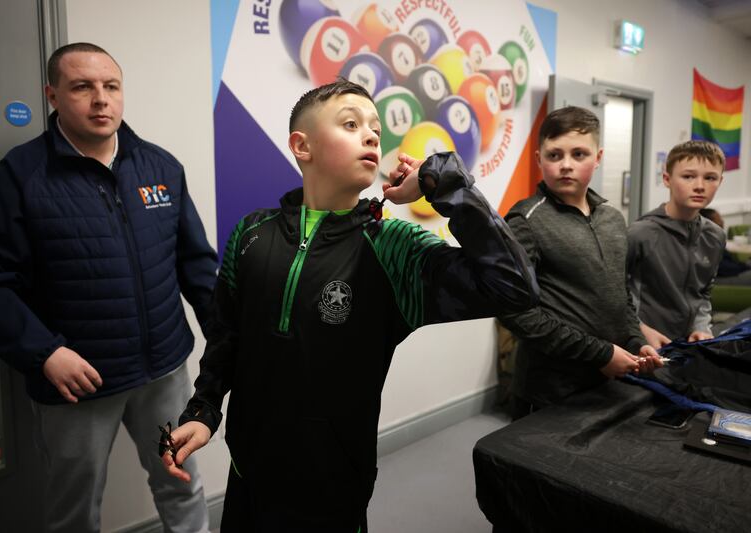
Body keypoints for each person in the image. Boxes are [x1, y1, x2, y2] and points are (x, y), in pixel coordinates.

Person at [160, 79, 539, 532]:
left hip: (334, 484)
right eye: (351, 123)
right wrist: (203, 410)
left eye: (375, 129)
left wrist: (443, 181)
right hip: (249, 471)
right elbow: (227, 337)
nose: (372, 135)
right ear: (303, 146)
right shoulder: (251, 234)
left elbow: (514, 287)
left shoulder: (392, 246)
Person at [0, 43, 214, 533]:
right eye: (82, 87)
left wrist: (226, 341)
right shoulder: (18, 177)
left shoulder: (160, 167)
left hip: (164, 373)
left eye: (110, 87)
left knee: (181, 484)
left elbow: (196, 265)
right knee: (75, 510)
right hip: (76, 385)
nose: (100, 100)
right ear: (52, 95)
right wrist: (44, 352)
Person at [497, 106, 662, 420]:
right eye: (555, 155)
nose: (566, 165)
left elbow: (620, 296)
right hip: (547, 392)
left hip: (607, 384)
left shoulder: (613, 219)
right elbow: (513, 311)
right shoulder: (524, 220)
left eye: (579, 154)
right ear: (538, 159)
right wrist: (599, 352)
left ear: (598, 158)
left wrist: (636, 342)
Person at [626, 141, 726, 348]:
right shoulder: (640, 233)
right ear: (667, 179)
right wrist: (639, 330)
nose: (699, 186)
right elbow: (614, 294)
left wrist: (701, 327)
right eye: (688, 176)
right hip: (644, 346)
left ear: (720, 181)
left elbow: (703, 292)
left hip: (688, 346)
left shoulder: (715, 236)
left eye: (710, 178)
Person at [700, 207, 751, 285]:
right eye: (718, 219)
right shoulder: (709, 243)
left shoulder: (713, 239)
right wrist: (744, 266)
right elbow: (724, 268)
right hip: (721, 280)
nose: (722, 222)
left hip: (731, 271)